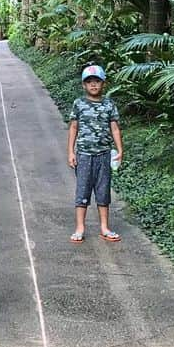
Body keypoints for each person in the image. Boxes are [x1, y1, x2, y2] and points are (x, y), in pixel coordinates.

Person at [67, 64, 123, 244]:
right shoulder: (79, 104)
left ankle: (104, 227)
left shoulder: (109, 104)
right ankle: (80, 227)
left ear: (103, 84)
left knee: (103, 191)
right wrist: (70, 152)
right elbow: (74, 127)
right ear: (84, 85)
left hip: (104, 154)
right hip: (83, 154)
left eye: (97, 81)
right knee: (82, 190)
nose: (93, 85)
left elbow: (114, 128)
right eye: (89, 82)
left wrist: (120, 150)